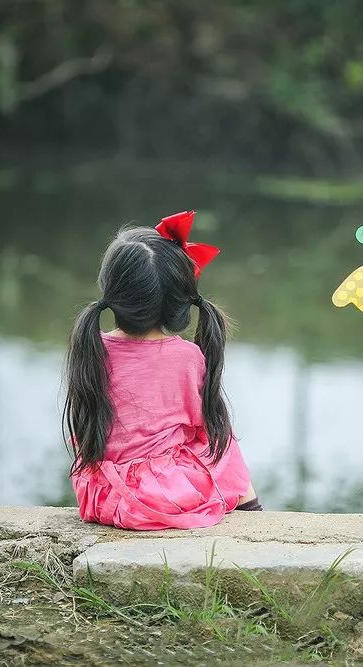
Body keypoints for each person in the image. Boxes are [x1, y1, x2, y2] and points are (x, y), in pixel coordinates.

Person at [64, 211, 260, 530]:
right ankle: (251, 506)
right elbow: (205, 428)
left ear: (110, 291)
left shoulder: (90, 348)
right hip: (161, 496)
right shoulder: (188, 358)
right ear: (179, 300)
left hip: (101, 495)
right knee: (219, 432)